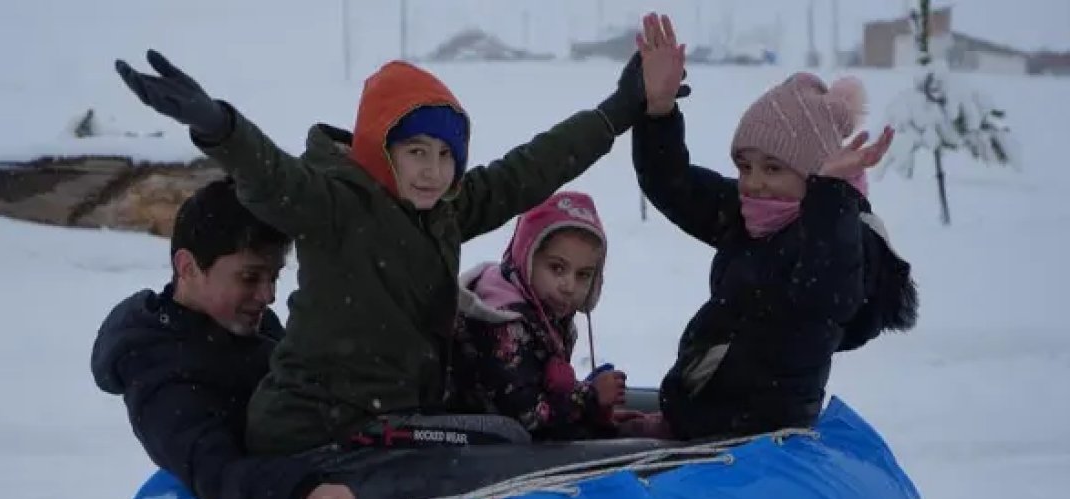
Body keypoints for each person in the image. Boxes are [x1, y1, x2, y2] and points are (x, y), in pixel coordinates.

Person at [114, 26, 690, 455]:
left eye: (445, 155)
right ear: (378, 149)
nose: (432, 171)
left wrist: (621, 110)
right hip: (323, 427)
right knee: (506, 440)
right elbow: (271, 178)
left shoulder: (445, 210)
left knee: (504, 431)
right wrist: (220, 128)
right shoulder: (334, 205)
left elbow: (530, 168)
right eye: (416, 151)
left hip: (395, 414)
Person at [630, 14, 918, 440]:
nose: (754, 181)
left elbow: (826, 295)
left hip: (762, 437)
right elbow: (670, 184)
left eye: (773, 167)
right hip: (704, 418)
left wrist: (832, 194)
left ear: (814, 173)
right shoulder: (751, 214)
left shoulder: (839, 234)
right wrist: (659, 111)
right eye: (744, 165)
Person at [90, 178, 357, 499]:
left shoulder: (249, 324)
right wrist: (299, 493)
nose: (268, 295)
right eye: (249, 277)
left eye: (274, 277)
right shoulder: (159, 370)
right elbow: (215, 470)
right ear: (188, 269)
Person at [449, 191, 630, 441]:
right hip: (478, 449)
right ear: (527, 257)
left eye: (583, 275)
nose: (569, 285)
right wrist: (589, 397)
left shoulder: (545, 307)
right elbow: (528, 417)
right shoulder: (503, 323)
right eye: (557, 268)